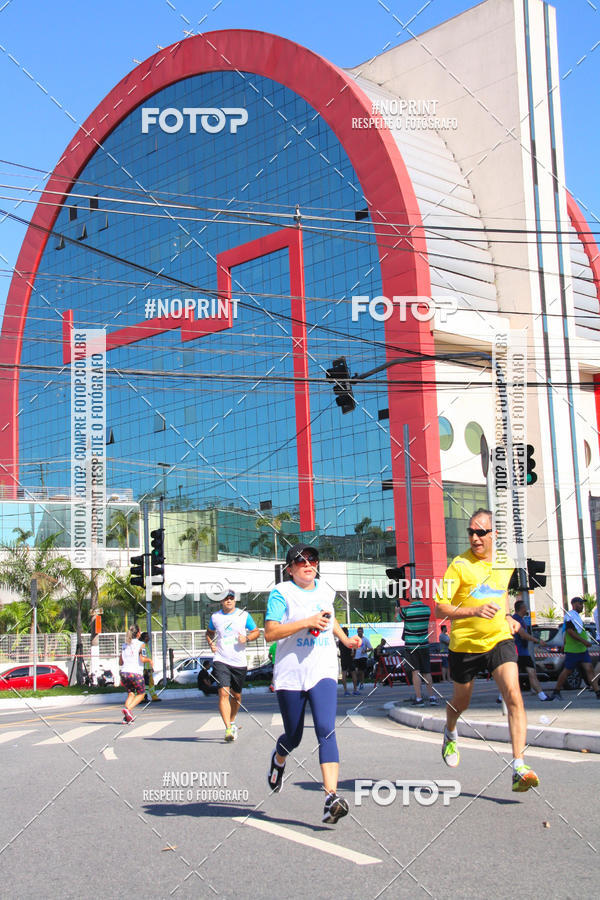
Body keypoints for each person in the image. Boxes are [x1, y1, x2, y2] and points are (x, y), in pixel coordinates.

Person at [434, 508, 540, 792]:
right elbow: (440, 608)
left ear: (494, 534)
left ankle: (519, 766)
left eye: (481, 532)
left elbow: (501, 594)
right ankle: (450, 731)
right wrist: (474, 610)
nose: (475, 538)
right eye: (471, 532)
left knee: (513, 694)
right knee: (461, 703)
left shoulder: (505, 563)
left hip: (498, 640)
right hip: (465, 646)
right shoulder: (458, 566)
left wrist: (507, 617)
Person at [265, 543, 361, 824]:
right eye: (301, 560)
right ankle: (278, 758)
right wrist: (306, 622)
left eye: (313, 559)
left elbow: (330, 619)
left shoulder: (325, 590)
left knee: (326, 730)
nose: (308, 564)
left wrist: (345, 640)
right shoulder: (281, 593)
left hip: (322, 668)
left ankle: (331, 798)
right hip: (291, 673)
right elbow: (270, 632)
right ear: (289, 569)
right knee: (293, 736)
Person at [205, 589, 260, 742]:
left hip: (239, 661)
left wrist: (247, 638)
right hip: (221, 659)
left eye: (231, 598)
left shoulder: (243, 615)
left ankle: (232, 721)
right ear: (221, 601)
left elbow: (256, 632)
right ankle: (228, 728)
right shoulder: (215, 617)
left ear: (235, 600)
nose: (228, 600)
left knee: (236, 695)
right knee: (223, 693)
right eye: (225, 598)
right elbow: (209, 633)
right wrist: (211, 643)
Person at [551, 597, 600, 700]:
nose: (582, 606)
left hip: (582, 650)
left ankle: (597, 692)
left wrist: (564, 644)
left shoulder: (576, 616)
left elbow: (566, 633)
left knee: (589, 669)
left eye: (582, 604)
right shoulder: (570, 616)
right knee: (567, 671)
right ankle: (556, 691)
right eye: (580, 604)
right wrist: (584, 641)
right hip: (573, 650)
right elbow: (570, 631)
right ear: (573, 604)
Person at [397, 594, 437, 705]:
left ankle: (419, 698)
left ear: (411, 597)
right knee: (427, 671)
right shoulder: (427, 609)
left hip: (411, 645)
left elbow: (398, 619)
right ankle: (432, 697)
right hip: (424, 644)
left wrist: (397, 611)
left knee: (415, 671)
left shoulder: (406, 610)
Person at [510, 601, 550, 701]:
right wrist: (538, 641)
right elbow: (523, 635)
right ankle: (502, 697)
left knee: (531, 673)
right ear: (521, 608)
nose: (527, 609)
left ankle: (542, 696)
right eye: (525, 607)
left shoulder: (522, 620)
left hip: (523, 652)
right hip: (517, 652)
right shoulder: (515, 620)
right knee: (512, 676)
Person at [119, 623, 153, 724]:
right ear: (138, 633)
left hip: (124, 673)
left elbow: (120, 662)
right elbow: (142, 659)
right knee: (141, 694)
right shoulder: (141, 644)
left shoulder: (124, 645)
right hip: (135, 673)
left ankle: (127, 717)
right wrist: (150, 660)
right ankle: (128, 710)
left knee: (131, 694)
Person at [139, 631, 161, 702]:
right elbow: (143, 657)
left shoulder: (146, 645)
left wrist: (151, 667)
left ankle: (154, 696)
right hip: (144, 668)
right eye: (147, 637)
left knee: (151, 683)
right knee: (145, 683)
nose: (149, 638)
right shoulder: (142, 646)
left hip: (148, 668)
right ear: (144, 638)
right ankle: (143, 697)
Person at [339, 627, 359, 695]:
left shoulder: (340, 641)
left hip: (343, 659)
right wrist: (354, 655)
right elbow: (355, 648)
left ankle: (345, 691)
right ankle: (355, 690)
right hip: (350, 658)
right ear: (346, 632)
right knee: (353, 673)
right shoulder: (349, 640)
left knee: (344, 674)